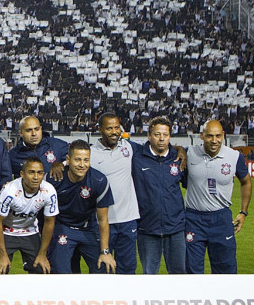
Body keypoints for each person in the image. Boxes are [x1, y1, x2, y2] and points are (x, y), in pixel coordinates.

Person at [183, 120, 251, 274]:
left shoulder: (234, 156)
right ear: (201, 136)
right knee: (191, 273)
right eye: (210, 136)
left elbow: (246, 181)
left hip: (221, 218)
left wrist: (243, 212)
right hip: (194, 219)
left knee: (225, 272)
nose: (214, 141)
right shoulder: (189, 153)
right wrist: (180, 150)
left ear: (223, 136)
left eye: (218, 136)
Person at [48, 141, 116, 274]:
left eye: (86, 160)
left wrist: (105, 251)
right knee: (60, 272)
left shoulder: (99, 181)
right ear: (68, 160)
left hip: (89, 229)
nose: (82, 165)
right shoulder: (54, 179)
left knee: (104, 267)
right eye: (77, 160)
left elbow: (103, 220)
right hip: (63, 227)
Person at [132, 116, 187, 274]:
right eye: (157, 134)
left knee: (179, 276)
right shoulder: (136, 157)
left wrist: (181, 150)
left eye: (165, 134)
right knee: (149, 276)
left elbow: (190, 184)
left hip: (175, 228)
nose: (162, 138)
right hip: (147, 229)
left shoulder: (178, 158)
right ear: (149, 136)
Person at [89, 113, 139, 274]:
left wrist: (179, 150)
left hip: (128, 220)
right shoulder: (90, 153)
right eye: (109, 128)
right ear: (100, 130)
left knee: (128, 270)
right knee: (102, 269)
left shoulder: (129, 147)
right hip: (102, 222)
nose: (114, 132)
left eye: (116, 127)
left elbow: (154, 150)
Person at [0, 157, 59, 274]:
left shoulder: (49, 191)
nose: (36, 177)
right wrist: (2, 255)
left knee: (41, 268)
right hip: (6, 231)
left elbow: (50, 222)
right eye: (31, 172)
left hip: (30, 231)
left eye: (40, 173)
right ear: (22, 174)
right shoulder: (9, 191)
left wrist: (42, 254)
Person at [7, 116, 67, 180]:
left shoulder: (55, 144)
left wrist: (62, 163)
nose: (34, 133)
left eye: (37, 129)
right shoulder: (12, 156)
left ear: (41, 129)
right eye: (29, 130)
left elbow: (75, 155)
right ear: (21, 133)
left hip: (56, 189)